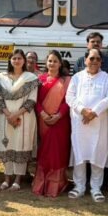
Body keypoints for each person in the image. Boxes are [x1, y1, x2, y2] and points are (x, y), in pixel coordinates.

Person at [66, 48, 108, 202]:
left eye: (97, 59)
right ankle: (79, 186)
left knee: (97, 153)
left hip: (98, 122)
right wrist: (83, 111)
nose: (94, 61)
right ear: (85, 60)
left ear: (101, 62)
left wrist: (93, 112)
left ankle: (96, 188)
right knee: (79, 153)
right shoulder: (77, 77)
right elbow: (69, 97)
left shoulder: (106, 78)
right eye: (91, 58)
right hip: (80, 122)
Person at [0, 49, 39, 191]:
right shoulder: (1, 78)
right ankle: (7, 179)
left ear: (24, 60)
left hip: (24, 118)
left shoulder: (31, 78)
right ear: (10, 60)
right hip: (5, 117)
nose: (16, 61)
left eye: (19, 58)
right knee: (6, 144)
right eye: (14, 58)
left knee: (21, 145)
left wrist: (16, 115)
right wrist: (9, 115)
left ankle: (18, 180)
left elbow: (32, 100)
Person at [32, 50, 71, 197]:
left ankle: (57, 184)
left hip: (61, 122)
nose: (52, 63)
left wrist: (58, 115)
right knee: (44, 151)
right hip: (44, 121)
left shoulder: (66, 80)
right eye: (50, 61)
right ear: (46, 62)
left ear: (60, 64)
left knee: (57, 152)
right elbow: (35, 100)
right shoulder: (40, 79)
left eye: (55, 61)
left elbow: (68, 101)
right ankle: (42, 183)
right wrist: (42, 114)